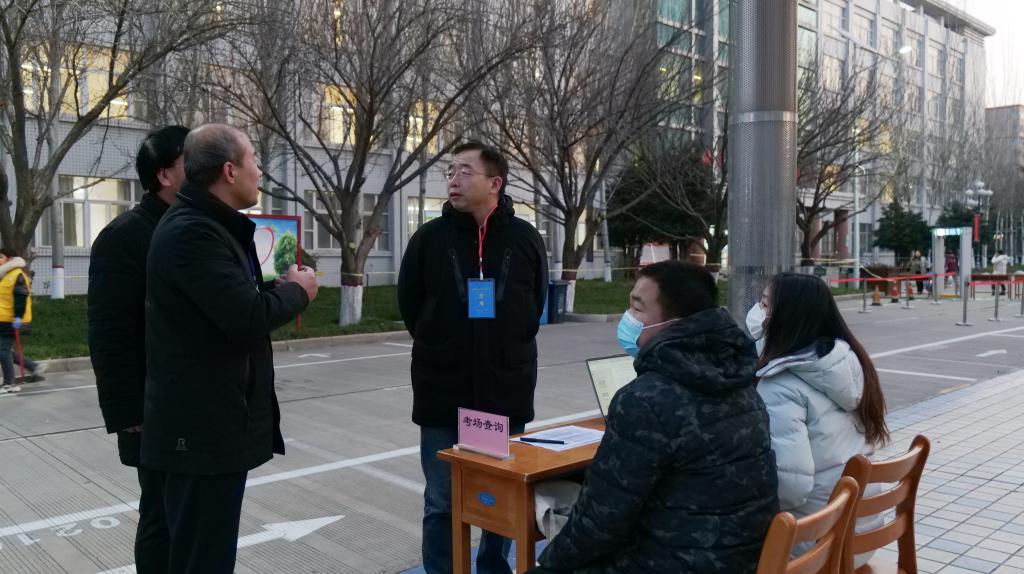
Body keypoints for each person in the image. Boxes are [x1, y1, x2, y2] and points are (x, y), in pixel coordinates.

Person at [142, 124, 319, 573]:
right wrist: (298, 292)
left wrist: (276, 291)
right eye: (254, 160)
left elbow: (230, 305)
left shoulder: (209, 227)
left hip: (209, 428)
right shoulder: (193, 232)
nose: (260, 172)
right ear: (229, 171)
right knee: (202, 559)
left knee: (202, 553)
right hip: (201, 434)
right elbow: (246, 317)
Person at [528, 261, 779, 574]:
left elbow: (601, 521)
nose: (628, 318)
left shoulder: (645, 400)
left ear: (676, 322)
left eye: (637, 308)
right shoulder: (741, 381)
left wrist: (547, 564)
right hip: (741, 557)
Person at [398, 141, 548, 574]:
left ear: (495, 183)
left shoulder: (524, 238)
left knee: (498, 497)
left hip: (502, 392)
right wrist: (442, 345)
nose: (453, 179)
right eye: (450, 171)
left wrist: (504, 348)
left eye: (465, 171)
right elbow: (410, 303)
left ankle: (492, 567)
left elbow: (534, 305)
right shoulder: (429, 238)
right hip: (444, 393)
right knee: (441, 500)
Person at [89, 125, 189, 571]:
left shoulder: (195, 227)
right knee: (161, 517)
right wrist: (129, 413)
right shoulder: (125, 236)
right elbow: (109, 333)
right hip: (152, 410)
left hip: (194, 405)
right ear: (164, 175)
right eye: (192, 161)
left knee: (190, 520)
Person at [747, 272, 889, 563]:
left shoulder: (780, 385)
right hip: (861, 535)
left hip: (815, 546)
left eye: (764, 305)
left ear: (786, 318)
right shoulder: (844, 361)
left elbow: (791, 489)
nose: (756, 311)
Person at [0, 248, 45, 394]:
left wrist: (18, 317)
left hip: (11, 320)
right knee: (4, 350)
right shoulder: (4, 274)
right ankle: (32, 366)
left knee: (3, 350)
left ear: (9, 258)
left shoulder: (17, 274)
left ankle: (9, 384)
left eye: (0, 257)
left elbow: (21, 297)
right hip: (3, 319)